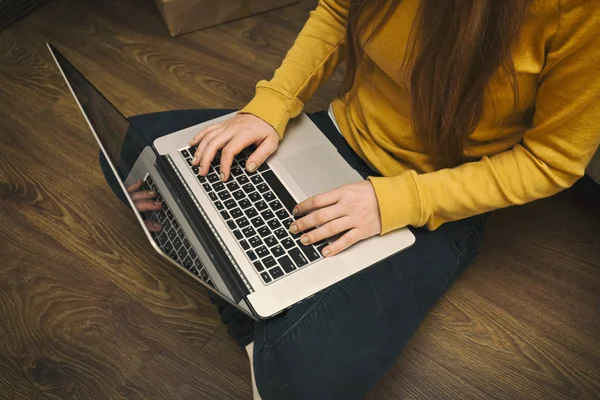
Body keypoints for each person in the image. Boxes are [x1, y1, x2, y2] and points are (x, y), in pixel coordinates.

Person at [102, 0, 600, 398]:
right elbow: (338, 10)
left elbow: (551, 161)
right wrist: (271, 105)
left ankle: (227, 263)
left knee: (303, 378)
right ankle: (253, 280)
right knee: (128, 150)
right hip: (334, 134)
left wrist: (393, 202)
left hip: (438, 195)